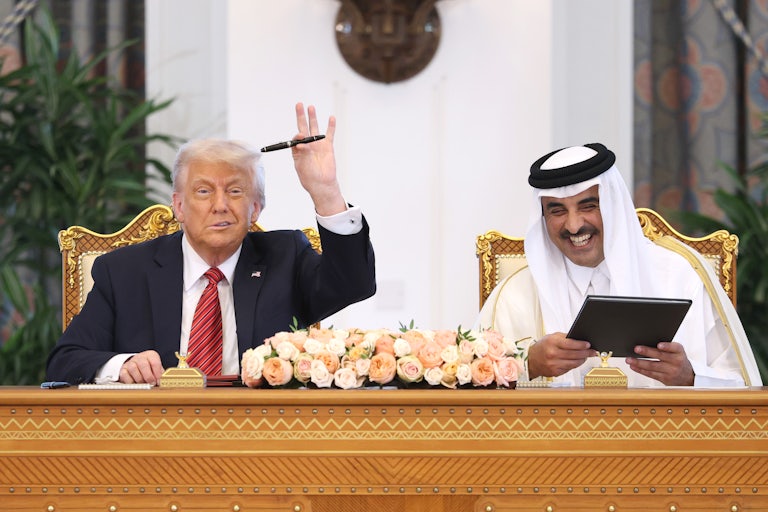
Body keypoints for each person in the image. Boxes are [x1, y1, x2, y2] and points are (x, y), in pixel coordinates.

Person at [46, 103, 376, 385]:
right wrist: (122, 366)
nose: (220, 205)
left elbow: (353, 284)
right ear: (179, 206)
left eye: (235, 191)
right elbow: (65, 362)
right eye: (203, 191)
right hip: (157, 438)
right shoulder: (124, 272)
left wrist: (326, 192)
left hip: (259, 439)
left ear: (255, 209)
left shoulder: (285, 257)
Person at [477, 142, 762, 387]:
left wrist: (690, 377)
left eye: (589, 206)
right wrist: (529, 366)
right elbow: (469, 397)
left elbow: (743, 389)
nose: (574, 225)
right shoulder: (514, 296)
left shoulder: (680, 276)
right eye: (557, 210)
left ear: (613, 205)